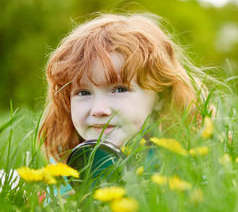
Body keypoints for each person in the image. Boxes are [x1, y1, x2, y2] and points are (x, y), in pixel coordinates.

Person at [38, 13, 213, 163]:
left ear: (161, 96)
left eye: (120, 89)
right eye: (83, 93)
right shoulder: (67, 166)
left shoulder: (179, 163)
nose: (99, 110)